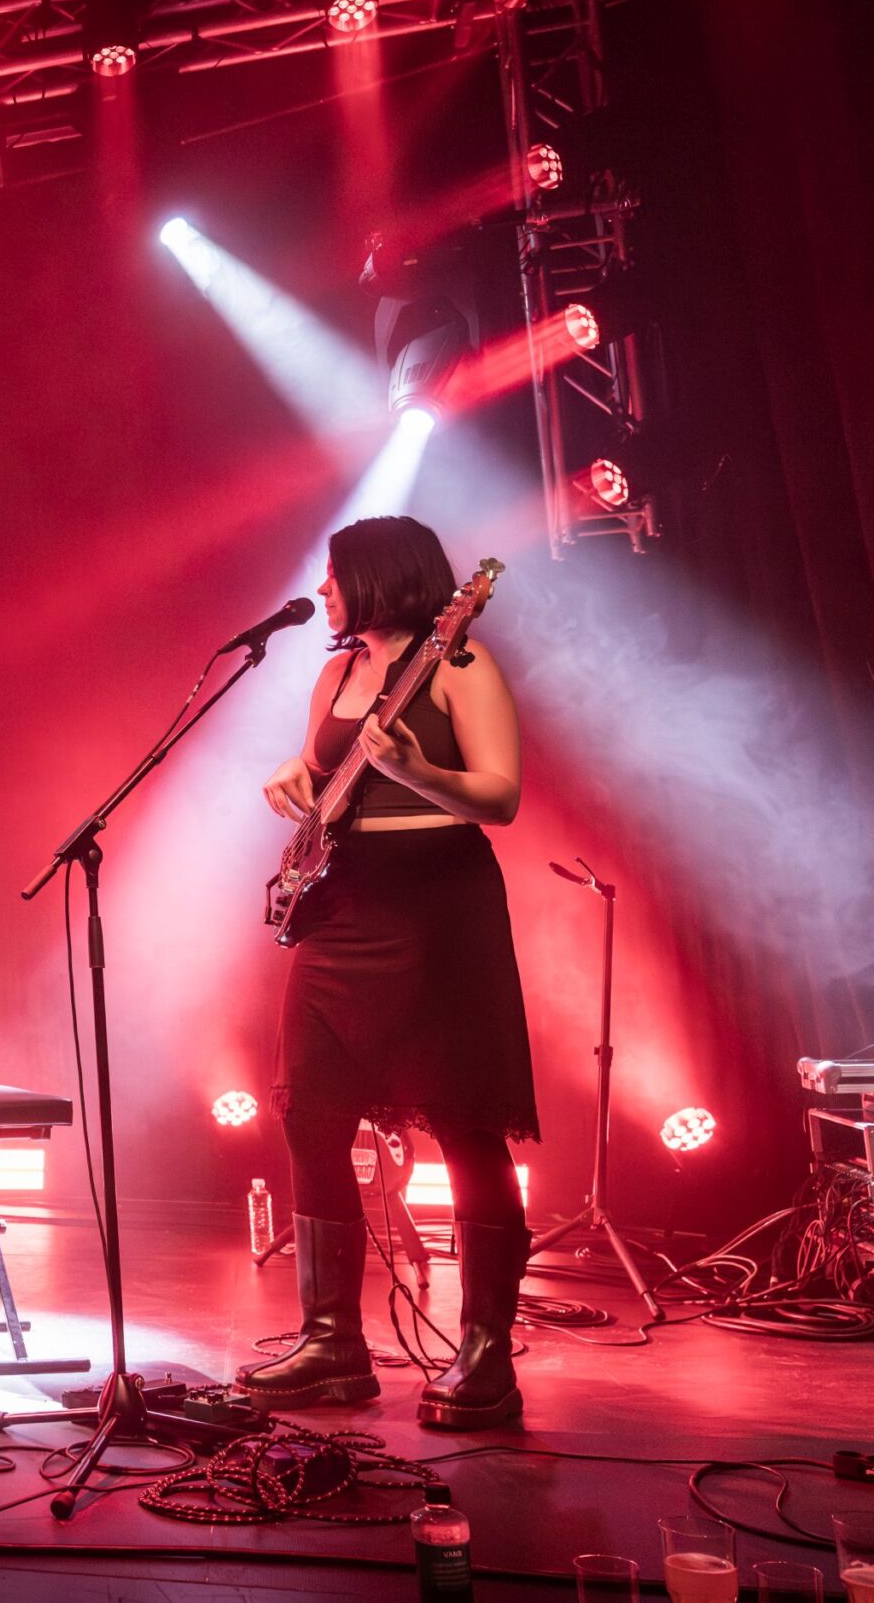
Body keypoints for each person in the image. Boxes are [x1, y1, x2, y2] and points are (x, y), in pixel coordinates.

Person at [241, 515, 534, 1431]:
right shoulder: (336, 675)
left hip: (437, 907)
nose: (322, 589)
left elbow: (501, 795)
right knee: (310, 1110)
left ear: (380, 575)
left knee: (464, 1121)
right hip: (341, 911)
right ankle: (332, 1340)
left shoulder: (460, 665)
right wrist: (293, 776)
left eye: (335, 574)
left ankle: (486, 1352)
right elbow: (321, 772)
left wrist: (417, 770)